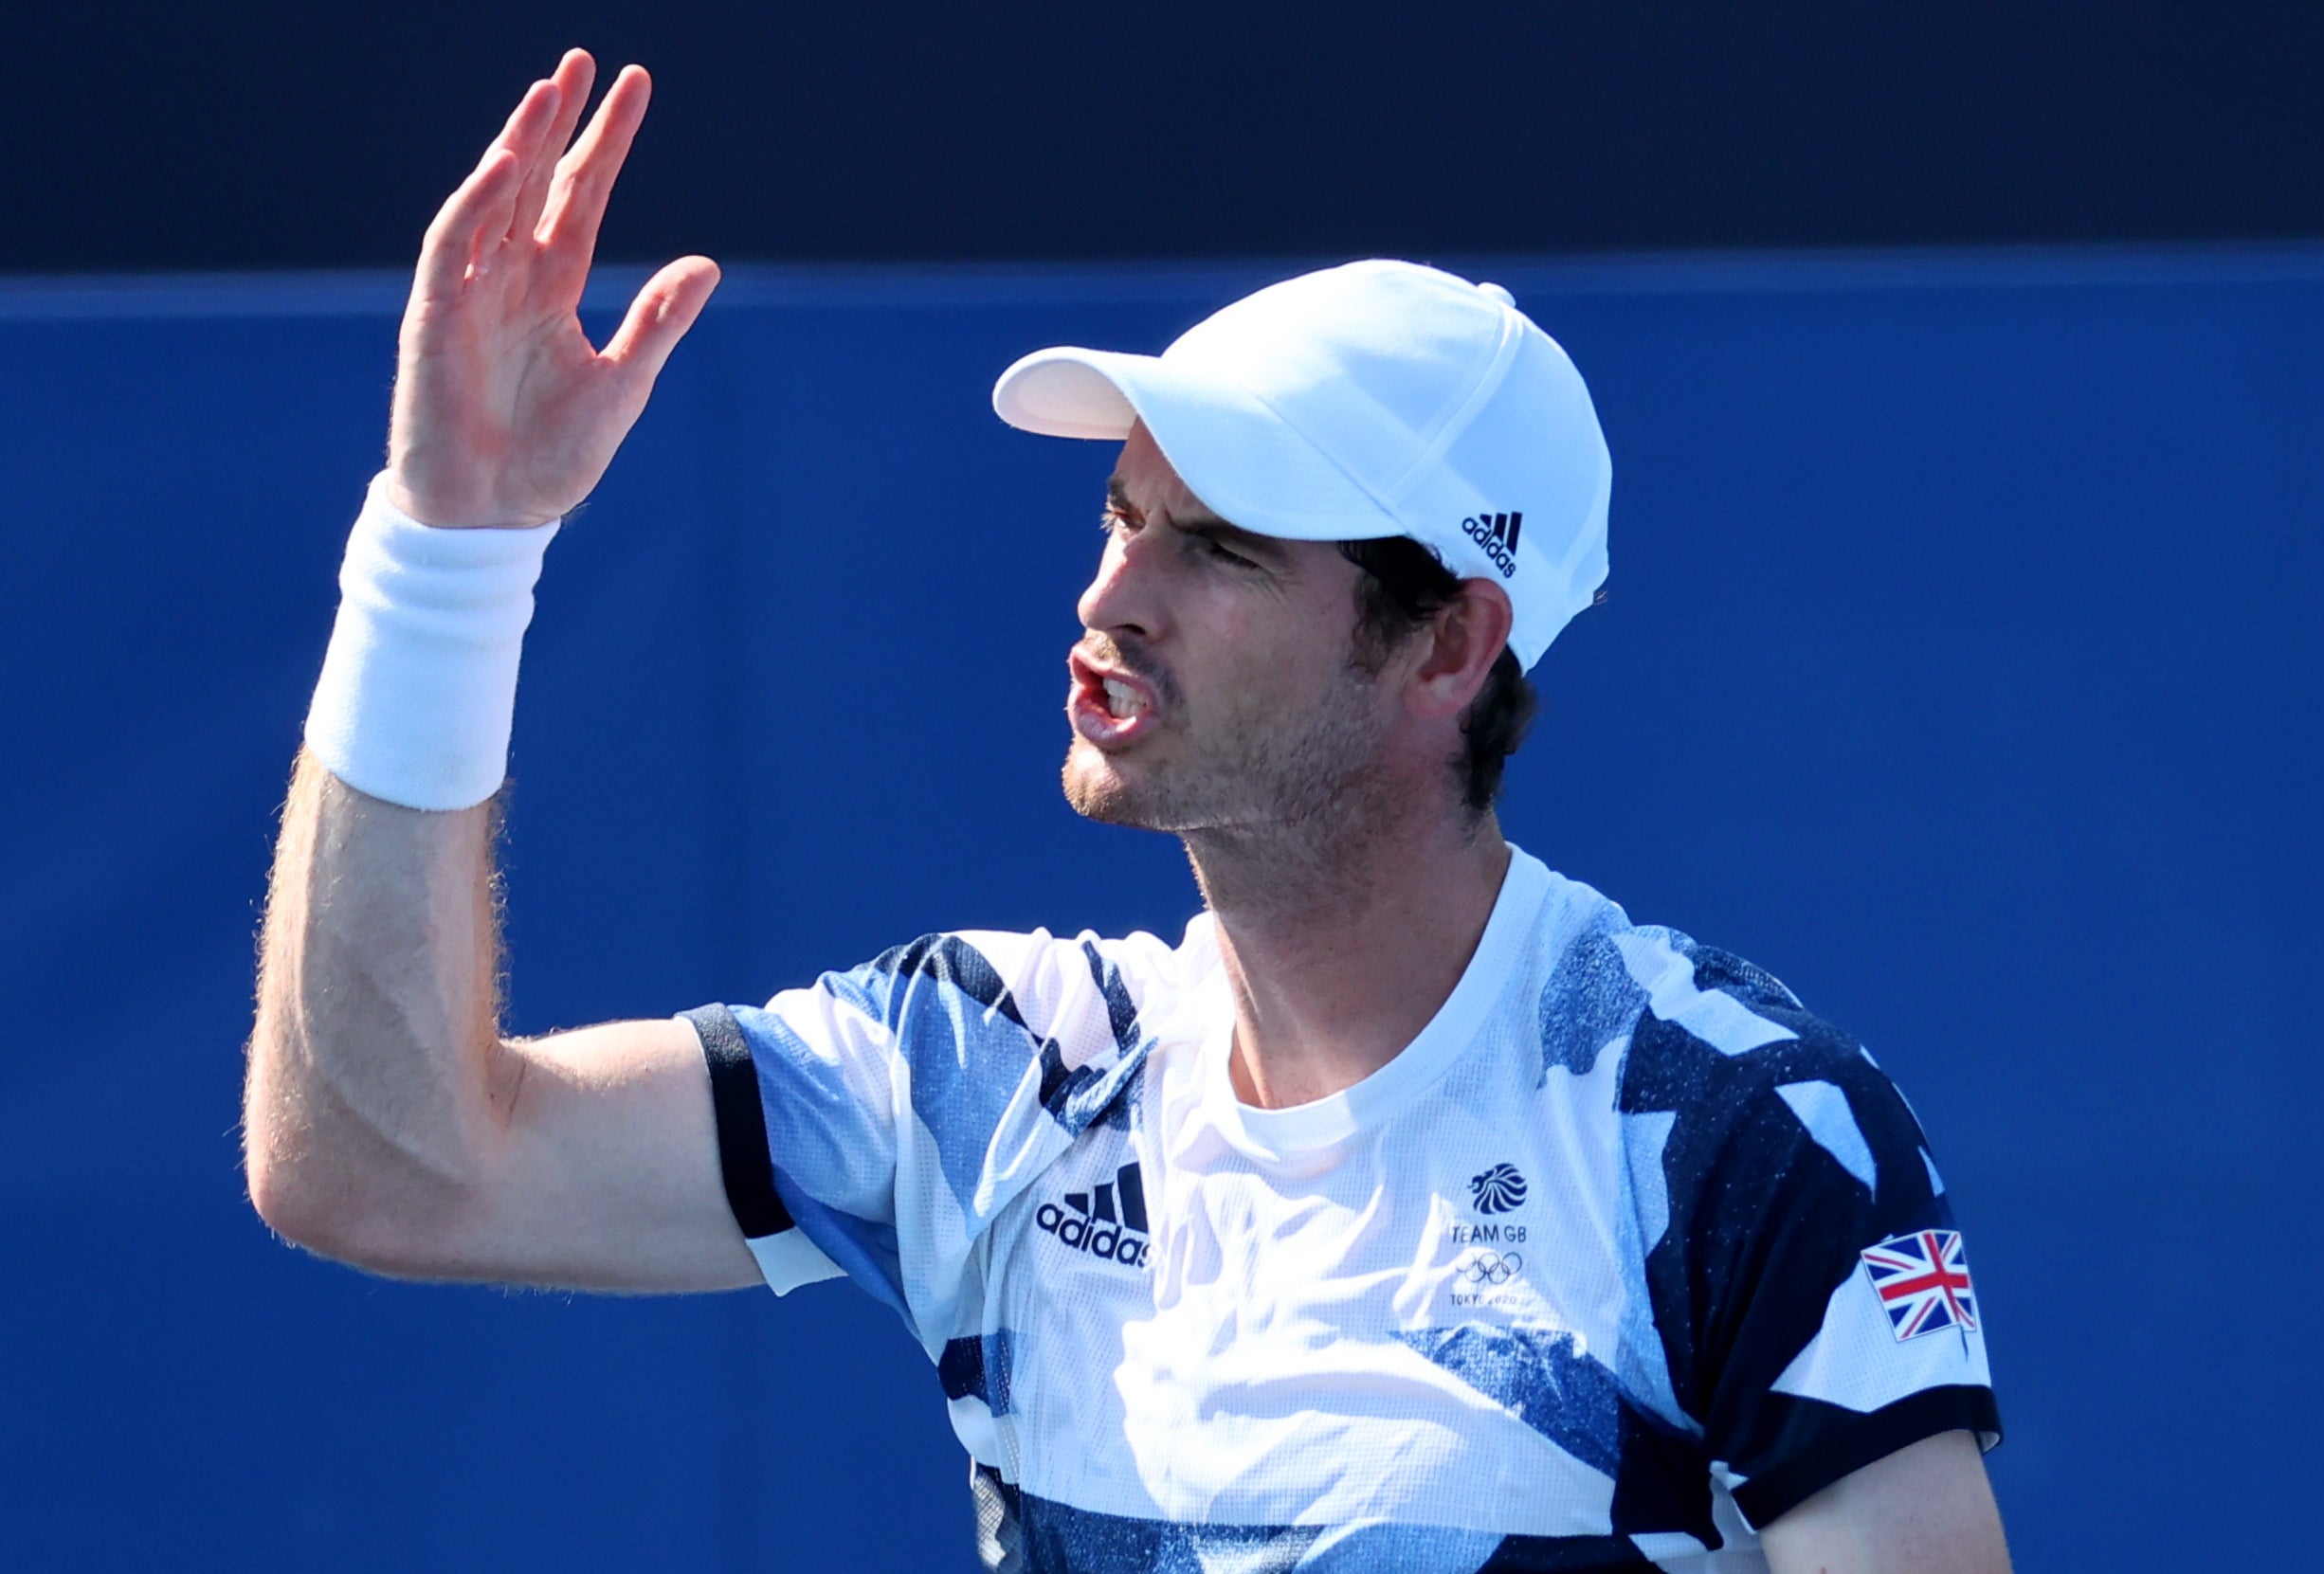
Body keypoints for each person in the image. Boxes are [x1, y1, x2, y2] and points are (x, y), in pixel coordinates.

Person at [244, 50, 2011, 1574]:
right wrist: (447, 552)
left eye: (1219, 544)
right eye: (1121, 515)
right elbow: (385, 1163)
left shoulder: (1731, 1134)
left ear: (1446, 644)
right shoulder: (987, 1065)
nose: (1112, 595)